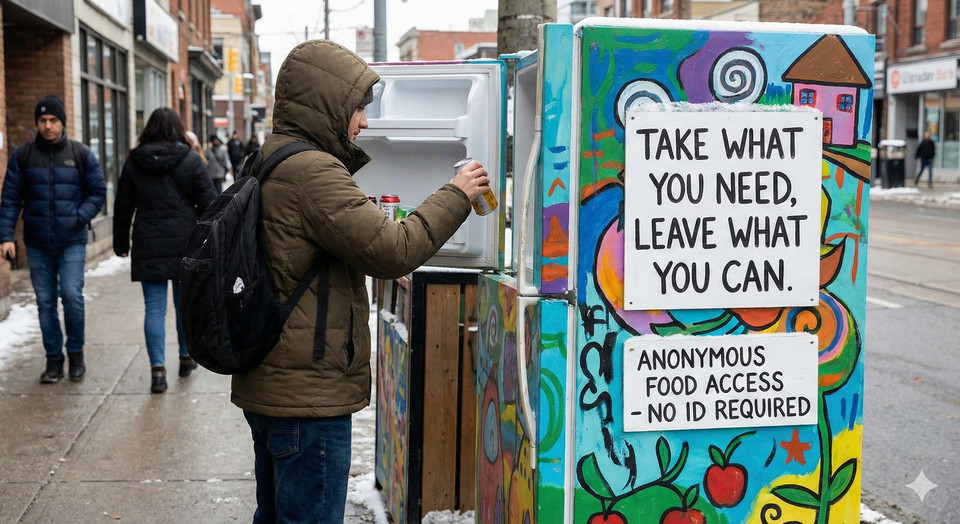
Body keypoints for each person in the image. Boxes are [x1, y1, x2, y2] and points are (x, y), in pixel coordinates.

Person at [230, 40, 490, 523]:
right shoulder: (314, 171)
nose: (365, 122)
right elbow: (394, 251)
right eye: (357, 109)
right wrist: (456, 194)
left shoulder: (272, 157)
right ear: (327, 104)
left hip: (273, 379)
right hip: (310, 394)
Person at [0, 95, 106, 383]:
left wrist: (78, 216)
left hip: (71, 240)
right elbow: (10, 198)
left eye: (53, 120)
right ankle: (53, 360)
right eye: (43, 121)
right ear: (37, 124)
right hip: (37, 243)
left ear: (62, 123)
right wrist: (6, 236)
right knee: (45, 302)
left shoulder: (80, 154)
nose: (48, 126)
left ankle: (76, 354)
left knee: (71, 296)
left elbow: (98, 192)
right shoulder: (23, 156)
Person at [113, 107, 218, 393]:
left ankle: (157, 370)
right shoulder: (191, 160)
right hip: (185, 243)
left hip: (148, 241)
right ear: (179, 130)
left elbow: (123, 206)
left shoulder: (135, 161)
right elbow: (210, 204)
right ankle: (186, 358)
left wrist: (120, 243)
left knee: (154, 309)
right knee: (184, 306)